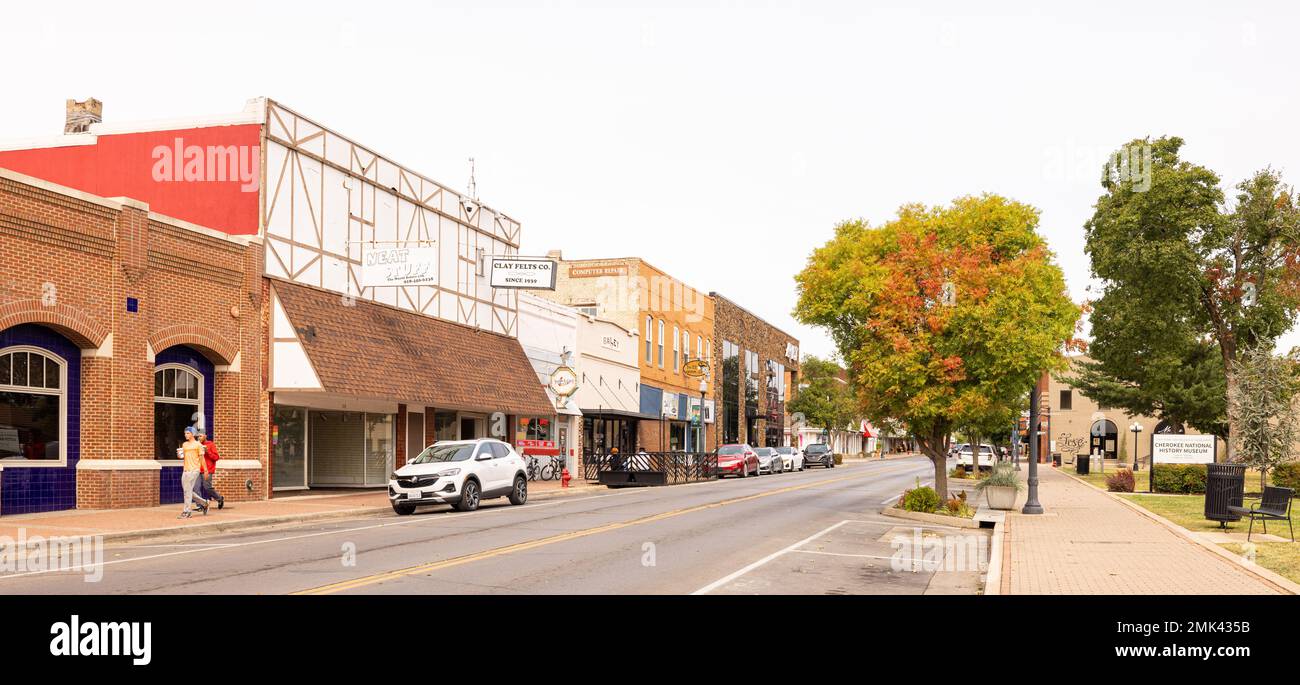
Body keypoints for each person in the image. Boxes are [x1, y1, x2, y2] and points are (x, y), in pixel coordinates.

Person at [178, 428, 209, 519]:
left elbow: (202, 459)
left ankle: (187, 511)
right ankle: (204, 503)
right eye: (185, 433)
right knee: (187, 491)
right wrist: (179, 456)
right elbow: (183, 457)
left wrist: (206, 470)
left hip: (194, 470)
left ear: (193, 434)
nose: (185, 435)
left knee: (187, 491)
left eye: (188, 433)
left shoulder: (198, 445)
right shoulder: (184, 444)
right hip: (186, 470)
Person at [196, 429, 225, 509]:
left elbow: (216, 457)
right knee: (195, 488)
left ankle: (219, 498)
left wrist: (207, 451)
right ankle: (200, 506)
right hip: (197, 469)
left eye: (201, 436)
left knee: (207, 487)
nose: (199, 438)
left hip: (208, 470)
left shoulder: (210, 444)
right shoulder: (196, 445)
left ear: (205, 436)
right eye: (198, 436)